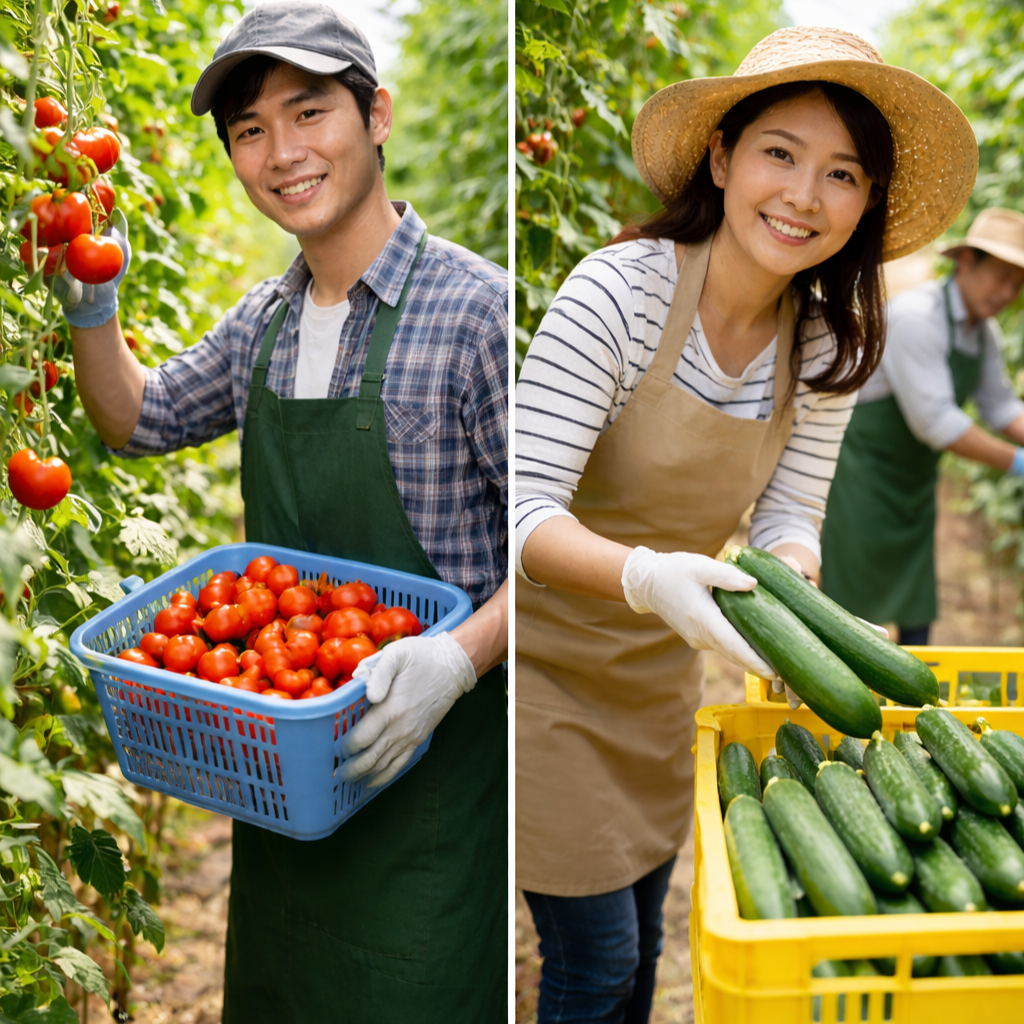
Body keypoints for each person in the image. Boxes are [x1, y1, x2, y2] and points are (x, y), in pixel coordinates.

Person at [514, 26, 975, 1023]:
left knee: (639, 948)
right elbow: (521, 513)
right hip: (540, 673)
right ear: (721, 158)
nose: (804, 197)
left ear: (867, 202)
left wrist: (789, 583)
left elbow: (789, 514)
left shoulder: (820, 342)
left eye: (842, 172)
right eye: (779, 153)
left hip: (661, 677)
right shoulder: (618, 296)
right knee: (594, 962)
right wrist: (648, 578)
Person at [57, 4, 507, 1020]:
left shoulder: (478, 314)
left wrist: (457, 659)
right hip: (281, 775)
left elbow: (551, 547)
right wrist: (93, 303)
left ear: (376, 114)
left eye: (309, 113)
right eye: (250, 130)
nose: (282, 152)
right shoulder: (262, 320)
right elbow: (137, 416)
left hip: (428, 789)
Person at [823, 207, 1024, 645]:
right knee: (853, 615)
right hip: (864, 479)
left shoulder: (982, 334)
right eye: (1001, 277)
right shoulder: (916, 317)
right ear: (967, 262)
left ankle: (914, 707)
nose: (1007, 292)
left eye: (1017, 283)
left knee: (916, 609)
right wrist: (1017, 462)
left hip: (912, 484)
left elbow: (1001, 406)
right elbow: (937, 423)